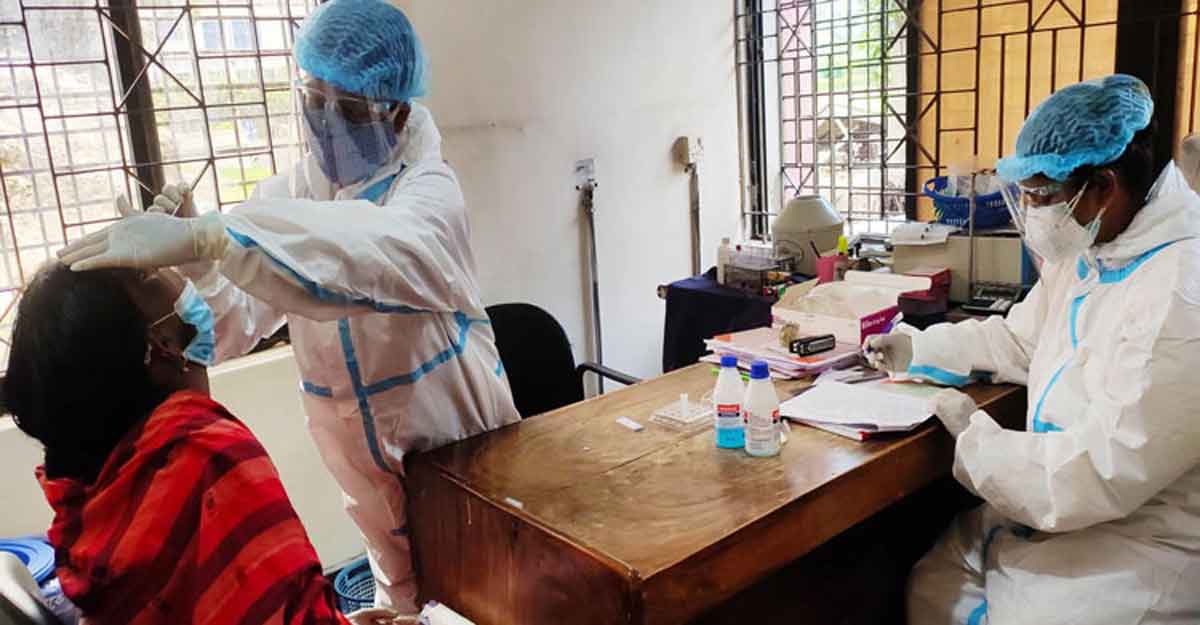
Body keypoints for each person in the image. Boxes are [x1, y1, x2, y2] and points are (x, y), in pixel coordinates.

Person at [55, 0, 520, 613]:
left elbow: (366, 254)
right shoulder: (294, 192)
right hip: (367, 476)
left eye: (348, 108)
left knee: (496, 597)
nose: (326, 123)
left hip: (459, 455)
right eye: (313, 100)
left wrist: (218, 237)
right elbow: (229, 326)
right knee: (408, 602)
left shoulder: (429, 192)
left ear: (399, 110)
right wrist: (199, 265)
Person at [866, 74, 1200, 624]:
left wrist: (979, 444)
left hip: (1142, 539)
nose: (1032, 211)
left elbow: (1106, 468)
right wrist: (917, 349)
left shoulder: (1182, 290)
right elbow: (1020, 338)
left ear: (1104, 187)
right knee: (934, 583)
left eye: (1043, 196)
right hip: (1052, 504)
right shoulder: (1095, 248)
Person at [3, 263, 418, 625]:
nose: (173, 275)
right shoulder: (206, 455)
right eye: (148, 273)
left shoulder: (94, 485)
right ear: (162, 345)